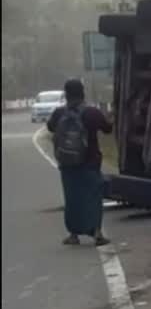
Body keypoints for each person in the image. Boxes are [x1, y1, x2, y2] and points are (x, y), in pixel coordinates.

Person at [47, 79, 113, 247]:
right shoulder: (92, 113)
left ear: (66, 94)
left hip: (67, 164)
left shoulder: (59, 113)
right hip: (90, 163)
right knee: (93, 197)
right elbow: (107, 129)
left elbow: (50, 128)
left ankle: (73, 235)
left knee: (72, 198)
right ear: (83, 93)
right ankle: (97, 233)